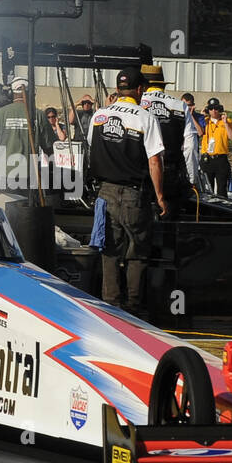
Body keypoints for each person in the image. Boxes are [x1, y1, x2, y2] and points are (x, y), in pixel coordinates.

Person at [87, 67, 168, 313]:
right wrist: (161, 197)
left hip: (105, 193)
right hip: (134, 194)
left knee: (109, 251)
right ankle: (133, 307)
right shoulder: (145, 118)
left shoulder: (99, 115)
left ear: (119, 88)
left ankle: (110, 307)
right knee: (137, 252)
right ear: (140, 89)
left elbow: (92, 148)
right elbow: (155, 161)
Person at [139, 63, 194, 212]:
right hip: (171, 174)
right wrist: (191, 179)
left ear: (142, 85)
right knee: (171, 223)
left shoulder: (136, 105)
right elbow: (190, 147)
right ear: (163, 85)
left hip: (140, 174)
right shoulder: (179, 106)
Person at [0, 76, 52, 191]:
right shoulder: (38, 115)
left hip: (3, 174)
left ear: (11, 93)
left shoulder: (0, 113)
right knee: (27, 207)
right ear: (30, 92)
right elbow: (49, 146)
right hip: (29, 175)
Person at [199, 98, 232, 196]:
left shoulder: (227, 122)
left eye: (216, 108)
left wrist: (225, 123)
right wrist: (201, 116)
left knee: (222, 190)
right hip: (207, 159)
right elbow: (199, 132)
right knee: (207, 190)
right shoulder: (205, 121)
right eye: (211, 108)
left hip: (221, 159)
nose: (214, 111)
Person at [181, 92, 205, 187]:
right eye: (184, 105)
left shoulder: (199, 117)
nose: (186, 108)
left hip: (193, 155)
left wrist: (190, 116)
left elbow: (200, 132)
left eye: (189, 105)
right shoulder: (178, 116)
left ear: (193, 106)